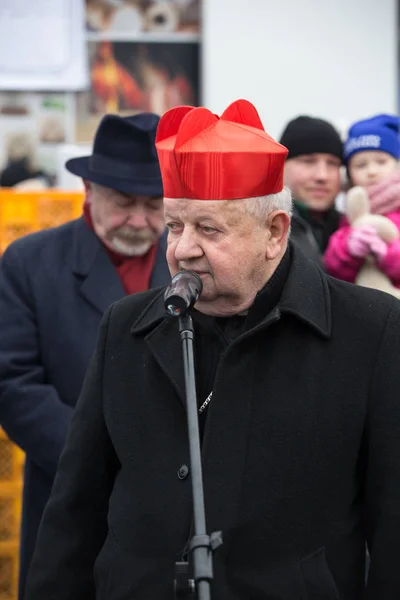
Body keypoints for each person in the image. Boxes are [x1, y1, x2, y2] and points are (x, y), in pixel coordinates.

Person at [25, 100, 400, 600]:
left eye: (209, 228)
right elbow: (74, 512)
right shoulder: (126, 326)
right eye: (176, 225)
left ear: (274, 233)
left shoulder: (371, 329)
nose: (182, 249)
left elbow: (393, 522)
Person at [0, 112, 170, 600]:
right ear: (89, 190)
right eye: (124, 203)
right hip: (68, 492)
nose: (139, 221)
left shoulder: (189, 263)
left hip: (167, 500)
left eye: (154, 205)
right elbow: (13, 383)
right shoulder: (29, 263)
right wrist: (97, 460)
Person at [324, 114, 400, 286]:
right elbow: (333, 267)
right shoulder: (350, 213)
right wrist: (349, 248)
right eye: (361, 165)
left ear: (396, 165)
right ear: (349, 175)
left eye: (381, 162)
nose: (372, 171)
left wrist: (388, 254)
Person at [279, 115, 343, 266]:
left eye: (332, 164)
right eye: (308, 161)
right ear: (281, 166)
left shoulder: (353, 228)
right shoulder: (263, 230)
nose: (322, 175)